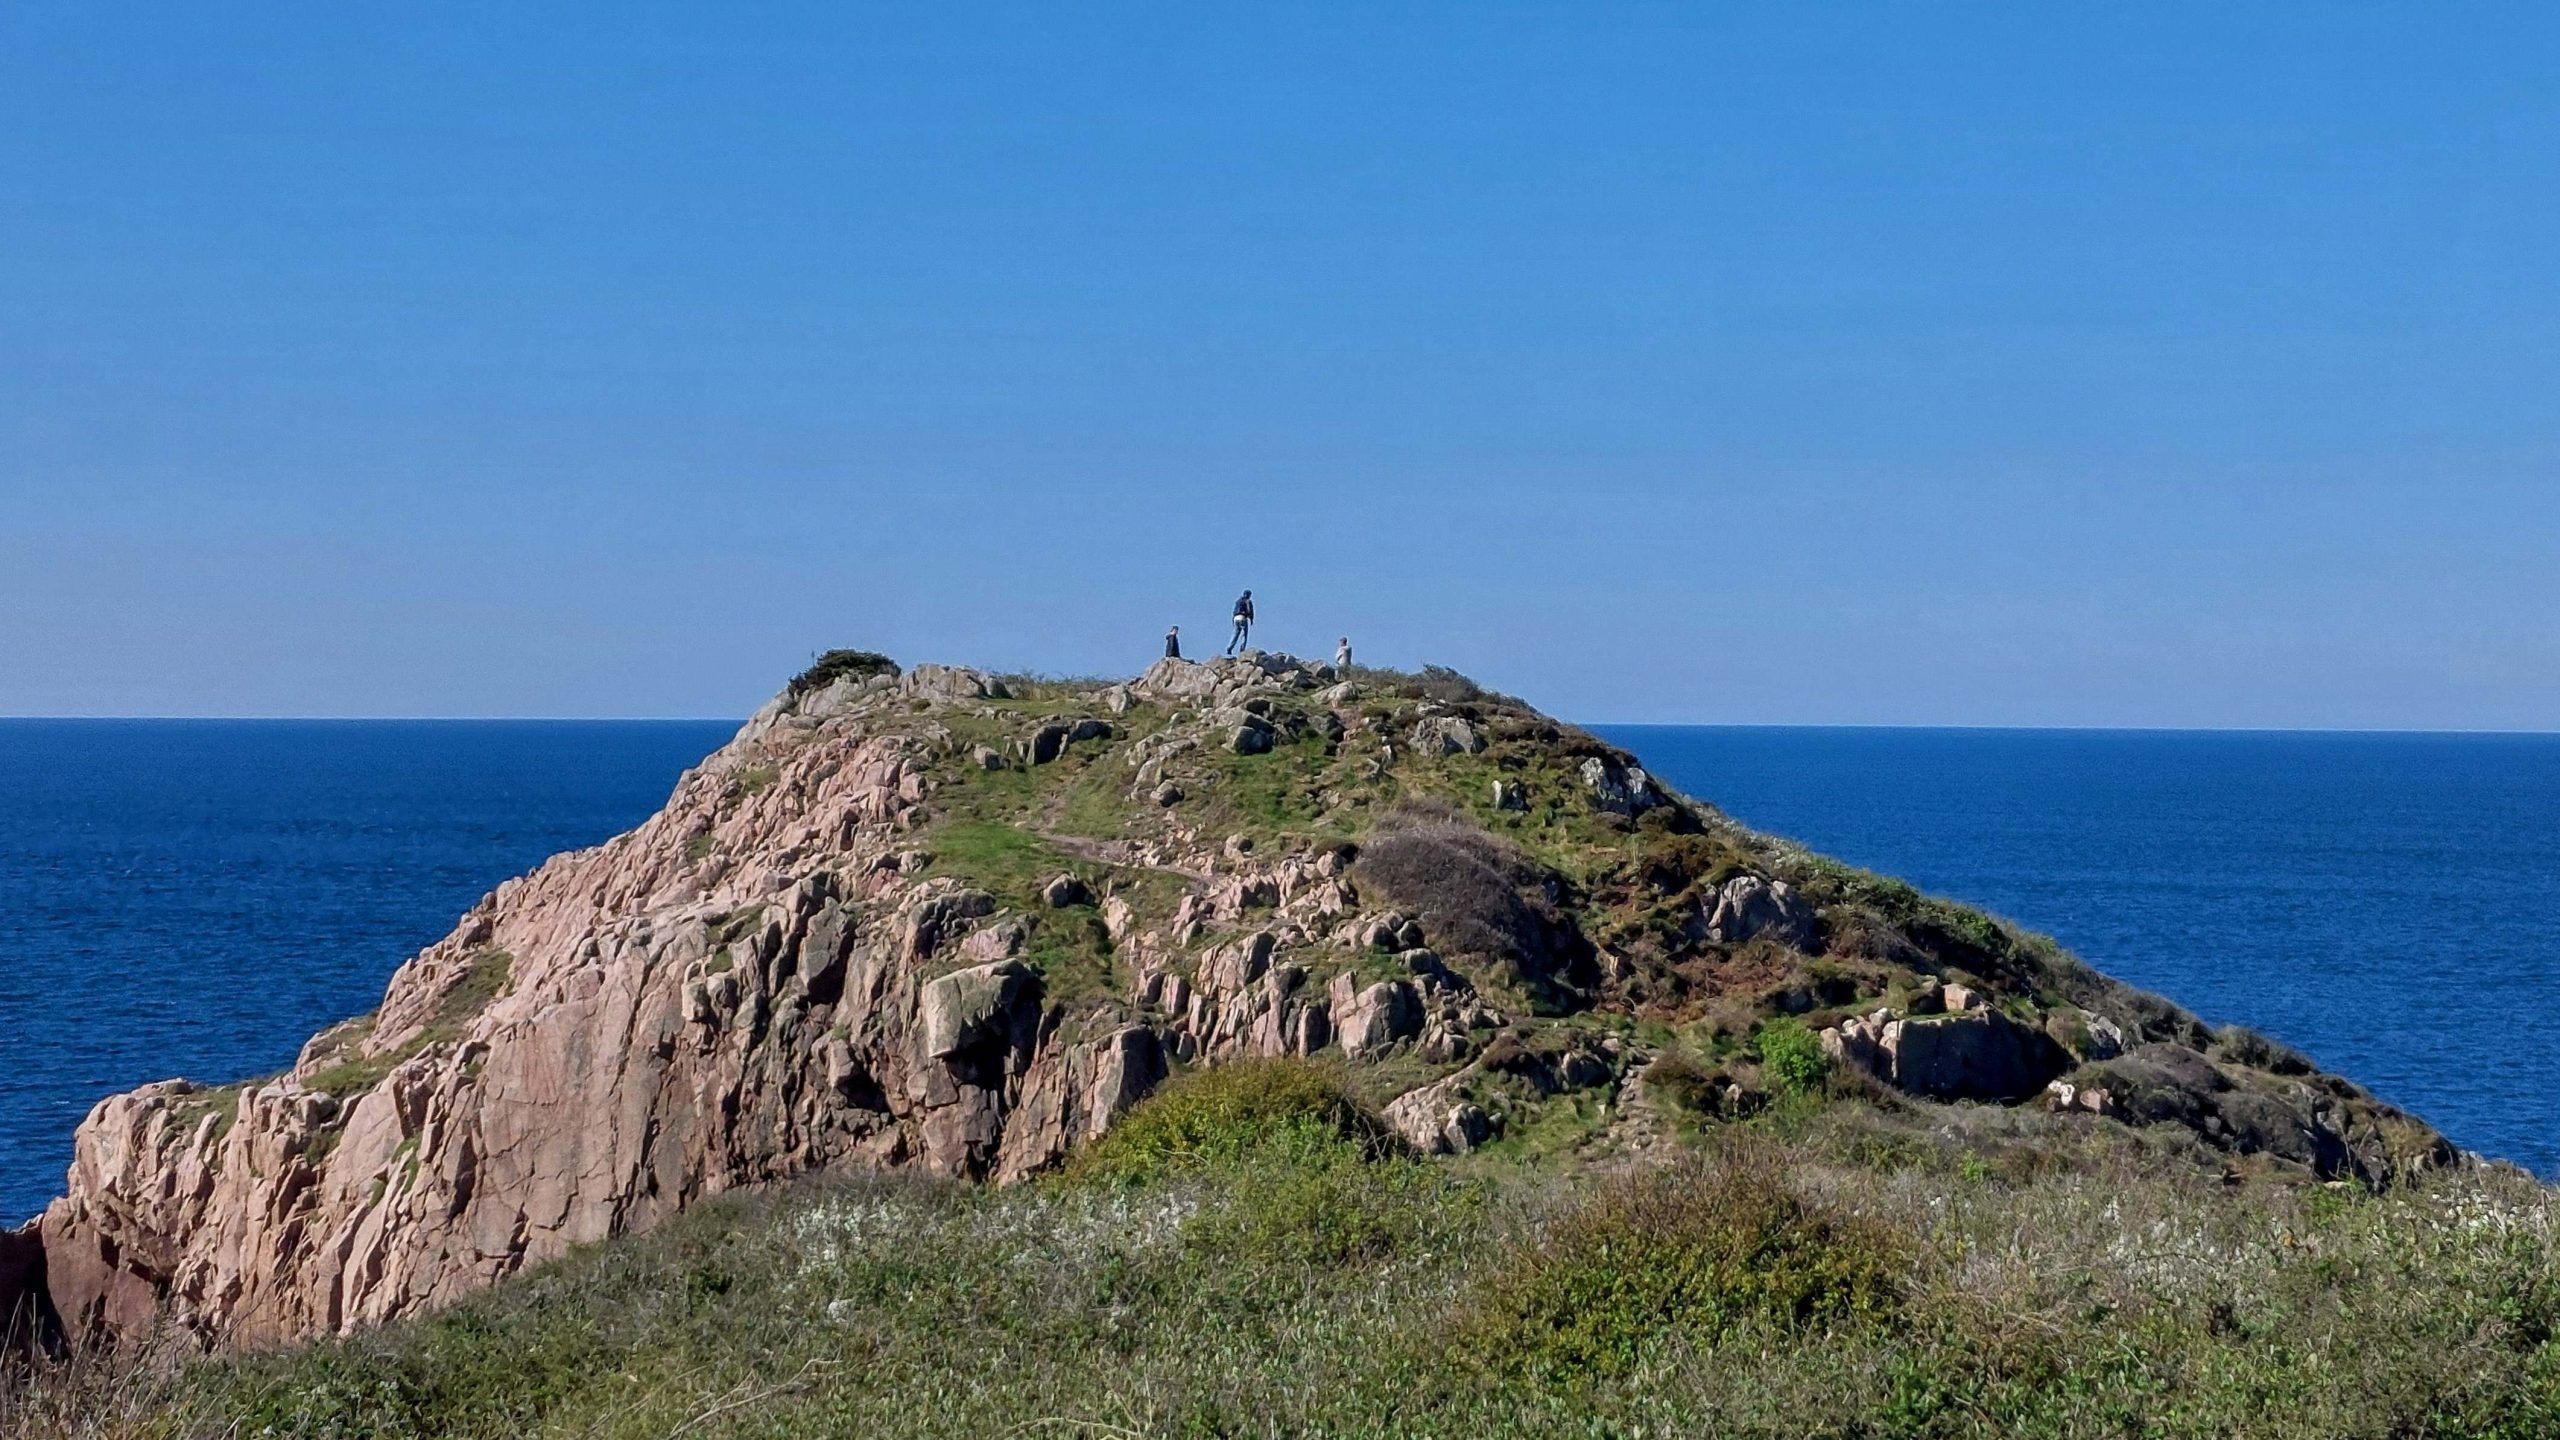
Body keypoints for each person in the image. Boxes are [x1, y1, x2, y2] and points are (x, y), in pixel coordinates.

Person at [1225, 590, 1255, 655]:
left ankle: (1229, 647)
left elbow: (1234, 610)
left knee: (1235, 634)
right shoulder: (1247, 601)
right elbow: (1250, 611)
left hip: (1236, 618)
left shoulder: (1238, 601)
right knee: (1244, 634)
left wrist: (1233, 619)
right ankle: (1242, 650)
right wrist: (1251, 619)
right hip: (1242, 617)